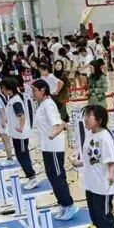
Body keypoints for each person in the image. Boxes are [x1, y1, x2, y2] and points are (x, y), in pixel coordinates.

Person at [32, 79, 77, 220]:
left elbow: (59, 125)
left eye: (34, 90)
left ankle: (69, 205)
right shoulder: (43, 104)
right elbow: (60, 121)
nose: (33, 93)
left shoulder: (48, 105)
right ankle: (62, 204)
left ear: (42, 90)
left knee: (58, 176)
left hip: (54, 147)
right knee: (51, 175)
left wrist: (53, 134)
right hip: (47, 146)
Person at [1, 77, 39, 190]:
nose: (2, 91)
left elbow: (22, 116)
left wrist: (21, 127)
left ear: (9, 89)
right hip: (16, 135)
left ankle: (32, 178)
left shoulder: (16, 101)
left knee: (23, 156)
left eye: (3, 88)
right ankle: (30, 177)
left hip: (21, 135)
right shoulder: (13, 99)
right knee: (20, 156)